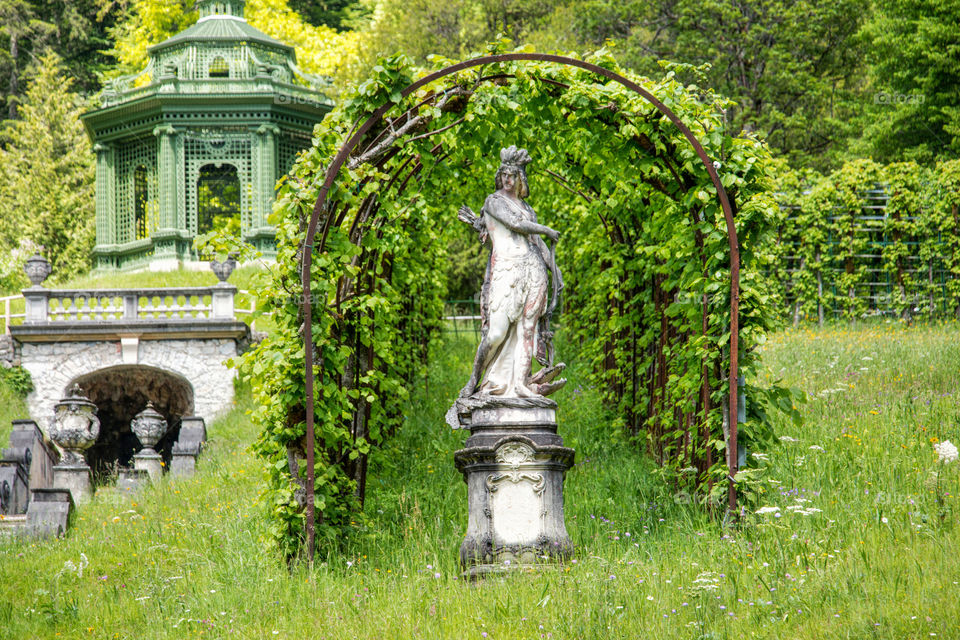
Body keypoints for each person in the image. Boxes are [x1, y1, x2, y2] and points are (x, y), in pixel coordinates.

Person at [457, 146, 565, 399]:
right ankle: (474, 381)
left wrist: (554, 269)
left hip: (533, 270)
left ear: (520, 179)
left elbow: (537, 245)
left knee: (528, 329)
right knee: (496, 333)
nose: (507, 179)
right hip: (506, 271)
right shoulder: (493, 202)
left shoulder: (527, 208)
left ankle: (520, 385)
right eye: (504, 174)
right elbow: (515, 224)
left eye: (512, 175)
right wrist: (546, 230)